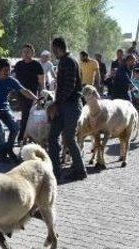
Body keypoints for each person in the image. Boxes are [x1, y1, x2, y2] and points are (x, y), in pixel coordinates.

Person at [0, 58, 39, 163]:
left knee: (15, 128)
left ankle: (9, 149)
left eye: (9, 70)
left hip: (4, 108)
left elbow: (24, 91)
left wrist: (36, 99)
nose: (8, 73)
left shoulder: (11, 80)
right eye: (5, 70)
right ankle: (2, 154)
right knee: (0, 129)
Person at [47, 37, 87, 182]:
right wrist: (56, 103)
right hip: (63, 105)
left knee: (69, 138)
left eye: (53, 49)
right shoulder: (64, 61)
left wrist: (56, 104)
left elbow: (69, 87)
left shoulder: (69, 62)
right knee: (53, 137)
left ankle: (80, 171)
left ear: (58, 48)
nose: (53, 53)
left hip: (70, 105)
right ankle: (55, 172)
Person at [14, 43, 44, 141]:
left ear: (32, 53)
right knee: (26, 114)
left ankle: (25, 135)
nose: (26, 54)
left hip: (33, 94)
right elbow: (15, 80)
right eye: (24, 52)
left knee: (31, 114)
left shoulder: (37, 65)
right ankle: (25, 135)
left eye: (28, 52)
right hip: (21, 94)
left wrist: (41, 94)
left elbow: (41, 81)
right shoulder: (18, 65)